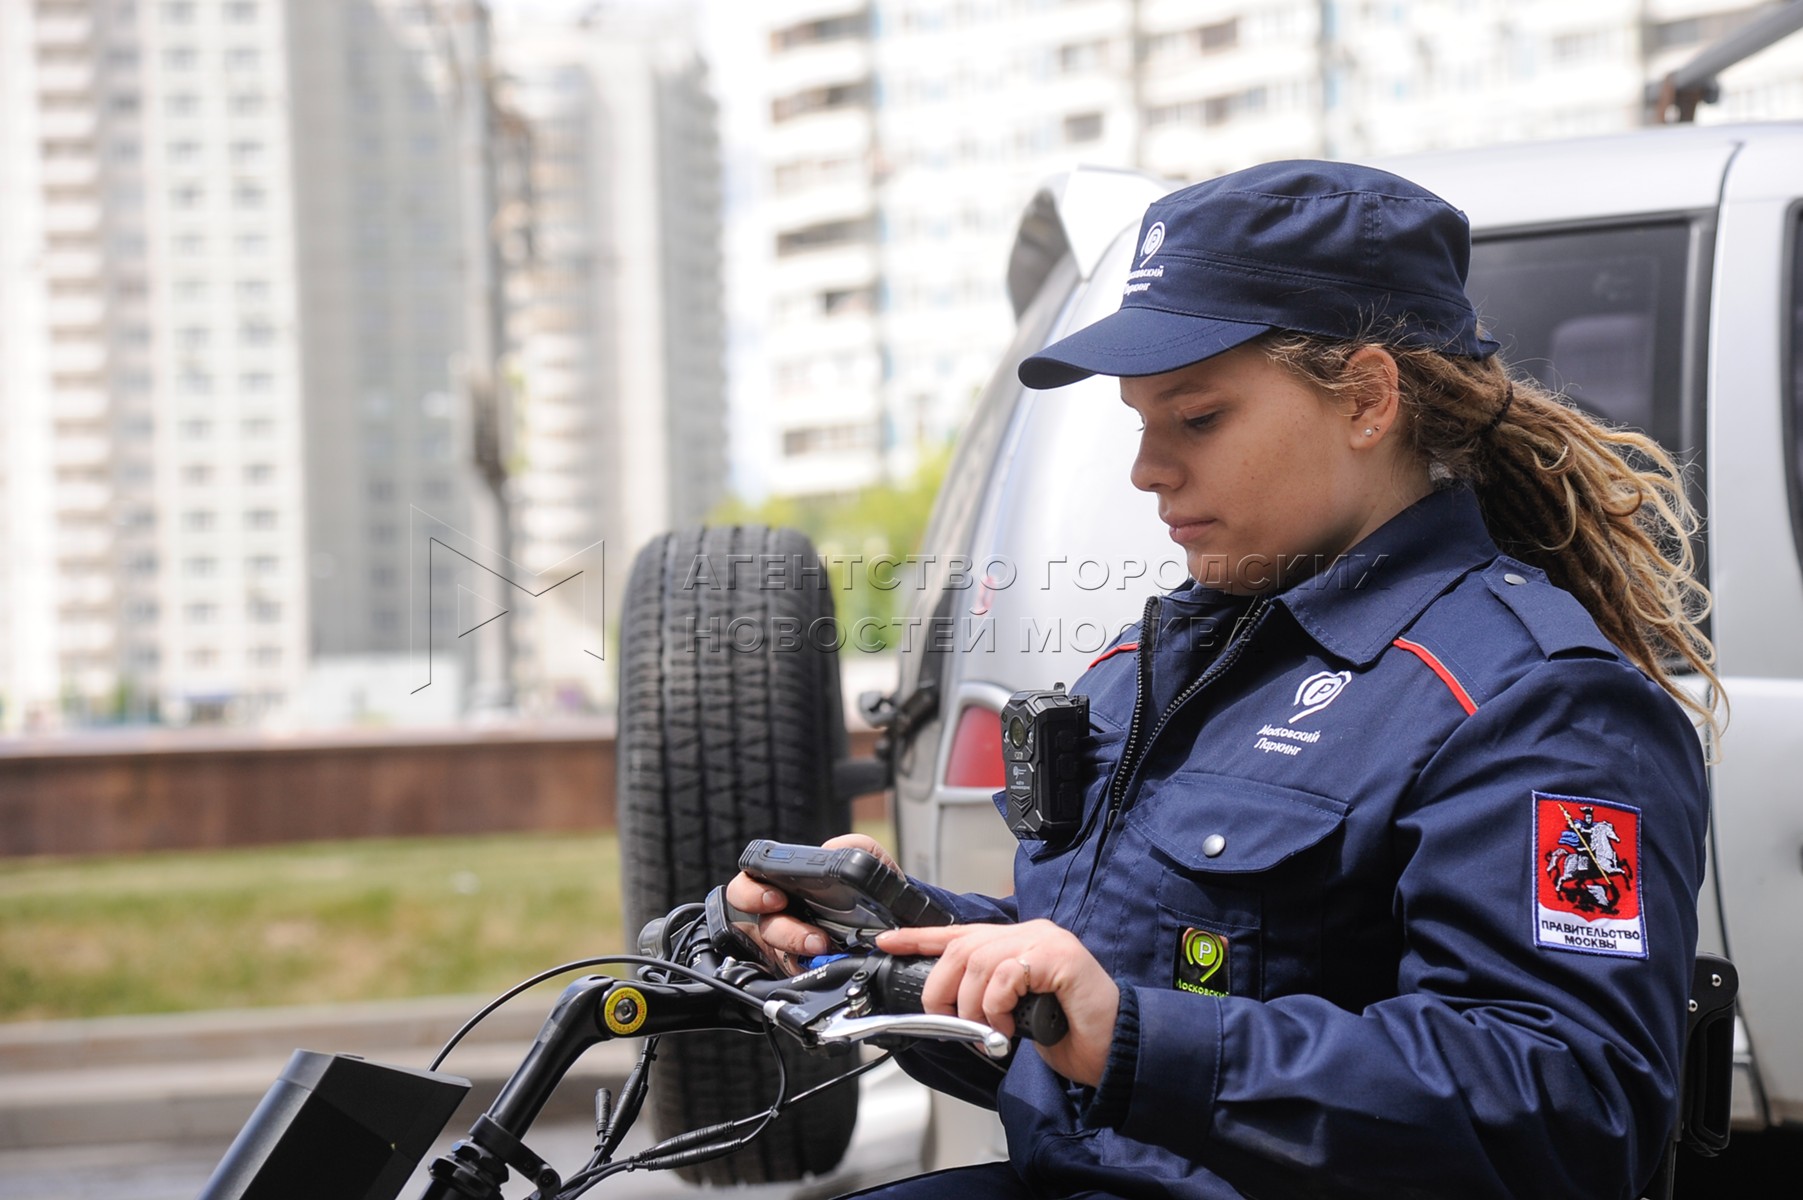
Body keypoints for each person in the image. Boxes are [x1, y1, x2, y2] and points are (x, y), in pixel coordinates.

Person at [727, 160, 1718, 1199]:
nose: (1147, 468)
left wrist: (1137, 1041)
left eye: (1196, 419)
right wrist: (878, 936)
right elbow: (1102, 972)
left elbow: (1573, 1113)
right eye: (1141, 421)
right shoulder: (1156, 662)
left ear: (1370, 399)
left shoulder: (1537, 704)